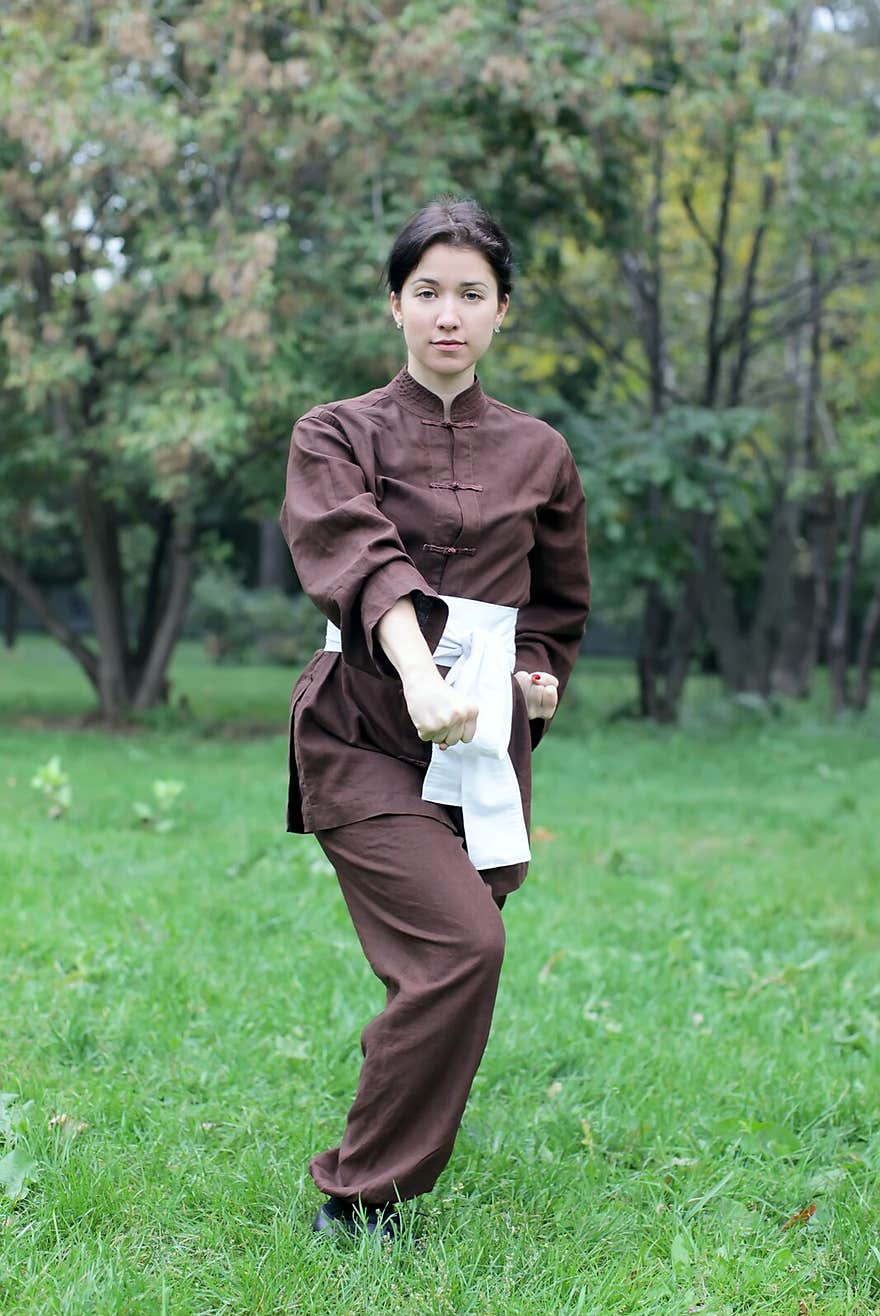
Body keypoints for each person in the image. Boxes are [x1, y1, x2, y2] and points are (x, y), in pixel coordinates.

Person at [279, 196, 591, 1241]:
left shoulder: (541, 453)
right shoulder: (335, 433)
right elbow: (360, 562)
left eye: (470, 294)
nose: (447, 315)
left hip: (485, 753)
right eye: (426, 293)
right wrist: (416, 671)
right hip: (361, 731)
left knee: (440, 965)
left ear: (503, 311)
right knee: (462, 951)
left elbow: (554, 605)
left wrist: (539, 676)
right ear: (395, 308)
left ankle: (386, 1118)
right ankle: (358, 1196)